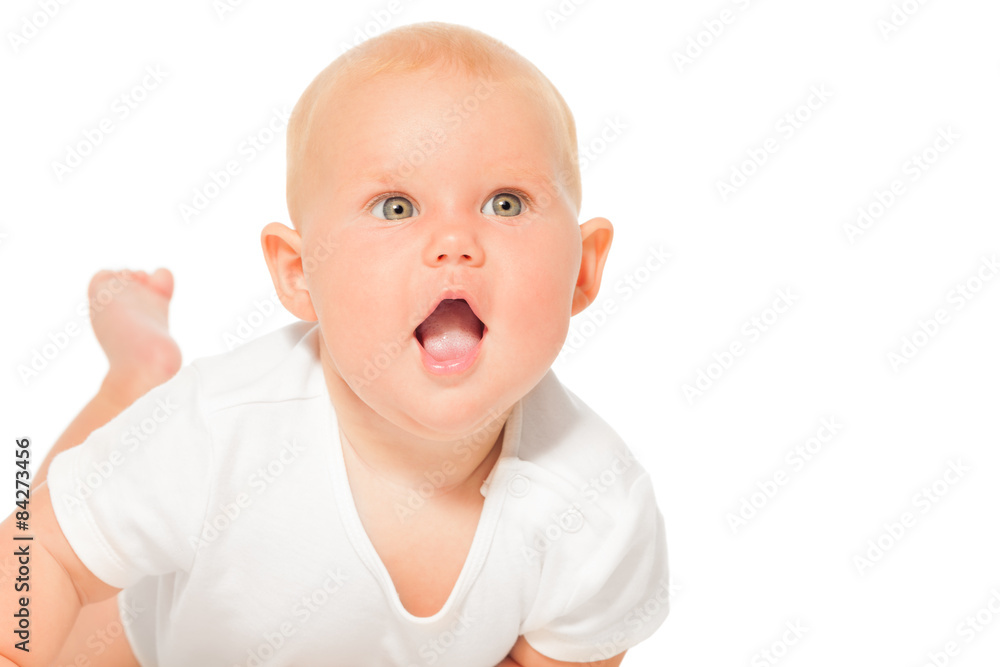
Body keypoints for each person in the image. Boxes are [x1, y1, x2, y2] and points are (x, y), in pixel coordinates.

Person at [1, 22, 669, 667]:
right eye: (396, 207)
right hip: (162, 638)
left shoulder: (600, 509)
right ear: (300, 273)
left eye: (505, 203)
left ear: (582, 268)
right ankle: (136, 378)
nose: (455, 243)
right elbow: (46, 549)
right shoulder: (220, 429)